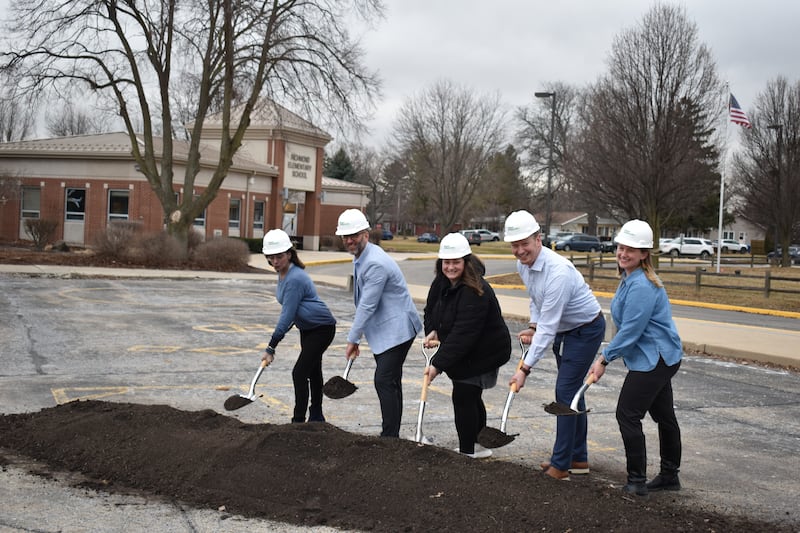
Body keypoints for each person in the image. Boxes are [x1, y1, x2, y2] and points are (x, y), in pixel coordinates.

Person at [504, 210, 606, 481]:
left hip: (585, 329)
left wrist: (524, 368)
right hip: (565, 331)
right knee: (573, 393)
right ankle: (578, 458)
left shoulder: (557, 271)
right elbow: (537, 301)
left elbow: (549, 326)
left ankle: (560, 466)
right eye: (514, 245)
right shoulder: (523, 265)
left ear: (538, 239)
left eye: (524, 243)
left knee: (564, 392)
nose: (519, 250)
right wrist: (533, 325)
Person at [588, 219, 683, 497]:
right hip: (657, 357)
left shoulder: (642, 285)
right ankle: (669, 476)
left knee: (627, 414)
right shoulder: (631, 278)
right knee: (664, 416)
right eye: (620, 247)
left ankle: (637, 481)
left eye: (631, 249)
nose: (623, 253)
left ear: (644, 254)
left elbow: (630, 331)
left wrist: (603, 359)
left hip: (656, 358)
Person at [422, 233, 511, 458]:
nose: (450, 267)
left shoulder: (475, 290)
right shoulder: (441, 282)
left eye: (456, 262)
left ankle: (468, 452)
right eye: (446, 262)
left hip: (484, 352)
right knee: (470, 395)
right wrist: (432, 330)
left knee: (464, 395)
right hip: (465, 350)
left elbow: (464, 333)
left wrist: (437, 365)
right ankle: (478, 444)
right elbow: (430, 309)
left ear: (466, 262)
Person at [336, 209, 423, 438]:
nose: (349, 240)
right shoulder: (364, 256)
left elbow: (367, 305)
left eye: (353, 235)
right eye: (345, 236)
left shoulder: (375, 262)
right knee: (391, 381)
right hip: (387, 329)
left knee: (384, 380)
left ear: (365, 233)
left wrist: (353, 339)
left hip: (398, 328)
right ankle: (391, 435)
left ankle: (389, 437)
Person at [261, 229, 337, 423]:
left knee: (299, 372)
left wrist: (271, 346)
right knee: (313, 370)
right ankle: (317, 415)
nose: (275, 261)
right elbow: (292, 313)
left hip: (322, 328)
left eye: (279, 256)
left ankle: (298, 420)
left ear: (289, 253)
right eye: (271, 257)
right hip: (307, 328)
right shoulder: (284, 273)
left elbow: (286, 316)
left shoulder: (294, 278)